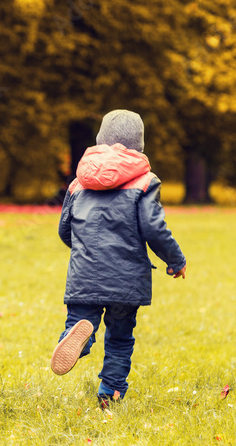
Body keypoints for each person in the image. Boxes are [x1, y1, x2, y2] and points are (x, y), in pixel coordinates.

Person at [50, 109, 187, 408]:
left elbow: (65, 229)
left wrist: (85, 250)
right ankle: (110, 392)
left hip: (84, 272)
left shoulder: (78, 181)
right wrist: (175, 260)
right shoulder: (144, 181)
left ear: (100, 139)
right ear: (138, 144)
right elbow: (154, 228)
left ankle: (79, 338)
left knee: (80, 318)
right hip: (126, 277)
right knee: (121, 335)